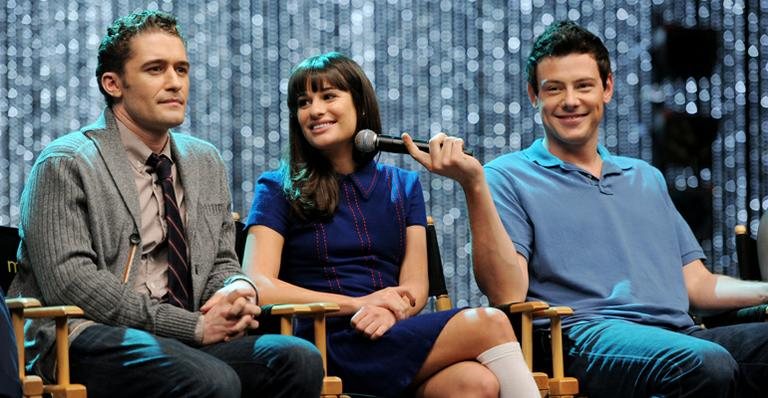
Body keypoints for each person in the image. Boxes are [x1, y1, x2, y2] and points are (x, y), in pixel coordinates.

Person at [407, 20, 768, 398]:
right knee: (705, 363)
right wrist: (474, 183)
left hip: (678, 334)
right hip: (583, 337)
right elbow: (507, 294)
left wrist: (764, 290)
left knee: (712, 355)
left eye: (583, 85)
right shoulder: (506, 176)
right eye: (553, 89)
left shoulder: (645, 176)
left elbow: (698, 283)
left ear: (607, 88)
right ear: (534, 95)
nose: (570, 101)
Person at [7, 10, 323, 398]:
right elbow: (73, 285)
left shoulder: (205, 161)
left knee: (298, 358)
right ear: (113, 83)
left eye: (182, 69)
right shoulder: (66, 162)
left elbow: (222, 260)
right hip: (82, 334)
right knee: (211, 380)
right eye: (156, 69)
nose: (175, 83)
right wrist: (190, 327)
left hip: (186, 333)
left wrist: (235, 290)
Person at [242, 51, 539, 398]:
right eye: (303, 102)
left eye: (328, 96)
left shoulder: (404, 186)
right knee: (490, 322)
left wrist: (392, 310)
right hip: (324, 342)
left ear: (361, 105)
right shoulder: (277, 187)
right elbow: (257, 284)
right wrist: (360, 304)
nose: (315, 110)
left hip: (389, 333)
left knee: (475, 384)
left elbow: (414, 288)